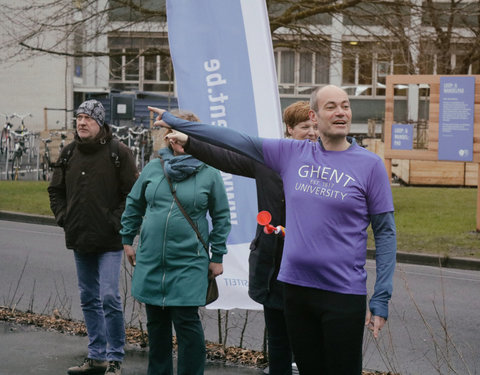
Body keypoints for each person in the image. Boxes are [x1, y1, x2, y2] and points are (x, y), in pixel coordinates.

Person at [148, 84, 397, 375]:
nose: (341, 112)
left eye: (345, 105)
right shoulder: (291, 153)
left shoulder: (370, 165)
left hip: (342, 292)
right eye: (331, 106)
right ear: (314, 116)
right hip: (295, 289)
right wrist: (182, 129)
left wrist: (381, 296)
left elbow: (385, 232)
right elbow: (235, 142)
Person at [163, 101, 317, 375]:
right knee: (279, 342)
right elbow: (225, 155)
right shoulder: (269, 159)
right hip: (273, 266)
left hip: (309, 267)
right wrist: (190, 143)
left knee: (309, 345)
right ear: (290, 129)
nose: (312, 132)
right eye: (305, 127)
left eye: (315, 126)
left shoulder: (326, 165)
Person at [120, 110, 231, 375]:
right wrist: (127, 238)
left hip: (189, 261)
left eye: (179, 132)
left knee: (186, 324)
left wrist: (217, 257)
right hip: (151, 258)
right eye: (169, 132)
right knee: (157, 326)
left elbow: (222, 216)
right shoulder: (154, 167)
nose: (173, 138)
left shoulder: (209, 173)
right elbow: (134, 204)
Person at [48, 99, 138, 375]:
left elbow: (132, 196)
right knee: (88, 298)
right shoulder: (68, 153)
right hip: (80, 237)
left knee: (109, 296)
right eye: (79, 118)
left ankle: (115, 358)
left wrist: (115, 223)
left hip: (109, 239)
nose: (82, 122)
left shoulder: (118, 153)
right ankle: (96, 355)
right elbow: (55, 191)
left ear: (100, 122)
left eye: (88, 118)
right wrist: (64, 218)